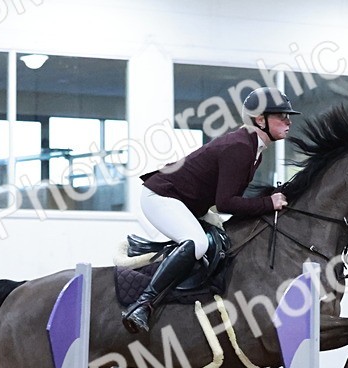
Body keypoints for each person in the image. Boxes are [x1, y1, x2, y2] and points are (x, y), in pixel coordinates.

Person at [122, 87, 299, 334]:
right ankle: (142, 304)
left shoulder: (252, 148)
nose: (288, 121)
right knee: (198, 242)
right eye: (282, 116)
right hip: (162, 196)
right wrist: (268, 203)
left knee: (223, 239)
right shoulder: (241, 147)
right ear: (261, 120)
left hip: (188, 202)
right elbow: (226, 203)